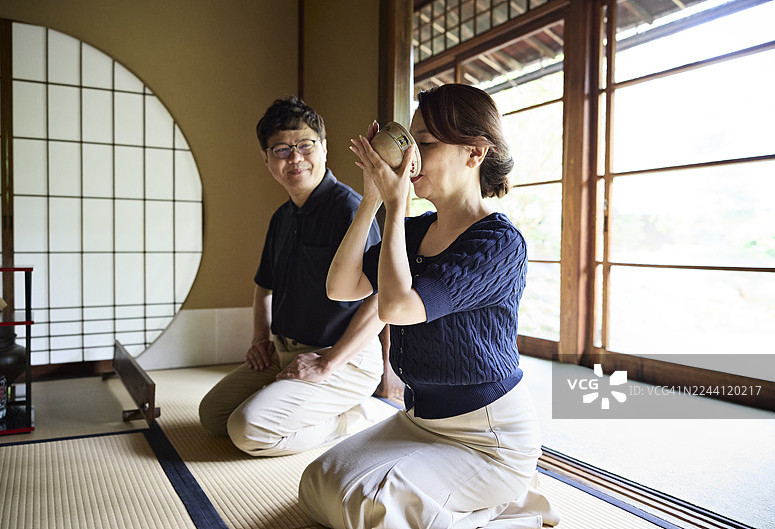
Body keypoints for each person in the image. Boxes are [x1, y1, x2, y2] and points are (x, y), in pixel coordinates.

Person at [299, 84, 560, 528]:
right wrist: (372, 201)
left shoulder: (497, 242)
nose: (412, 157)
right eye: (410, 142)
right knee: (317, 483)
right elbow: (341, 288)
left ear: (476, 152)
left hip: (488, 438)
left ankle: (517, 508)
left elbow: (398, 308)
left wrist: (396, 206)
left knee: (368, 507)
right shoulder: (417, 230)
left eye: (426, 143)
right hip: (420, 420)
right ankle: (492, 507)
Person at [198, 96, 385, 457]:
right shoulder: (282, 217)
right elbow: (263, 286)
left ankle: (352, 418)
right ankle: (300, 402)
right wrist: (258, 340)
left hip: (344, 357)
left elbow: (380, 300)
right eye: (282, 150)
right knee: (214, 415)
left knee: (246, 430)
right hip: (286, 351)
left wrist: (329, 362)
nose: (295, 158)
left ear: (324, 149)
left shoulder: (348, 209)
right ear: (266, 159)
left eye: (305, 145)